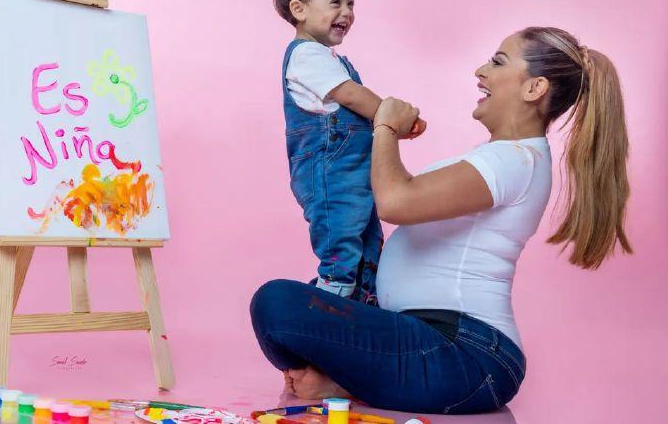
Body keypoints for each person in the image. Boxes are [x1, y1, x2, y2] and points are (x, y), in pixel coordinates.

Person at [251, 27, 631, 413]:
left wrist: (384, 125)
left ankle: (342, 382)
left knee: (277, 303)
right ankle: (340, 382)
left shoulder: (516, 161)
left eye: (498, 62)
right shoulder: (505, 157)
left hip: (465, 354)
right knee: (301, 301)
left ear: (534, 88)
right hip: (435, 342)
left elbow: (395, 202)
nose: (481, 71)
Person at [273, 0, 424, 303]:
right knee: (341, 242)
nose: (347, 12)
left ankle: (362, 301)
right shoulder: (306, 56)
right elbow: (353, 96)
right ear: (299, 9)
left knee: (369, 243)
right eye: (336, 2)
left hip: (355, 175)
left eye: (351, 3)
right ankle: (330, 299)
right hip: (330, 175)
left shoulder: (329, 58)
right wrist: (395, 118)